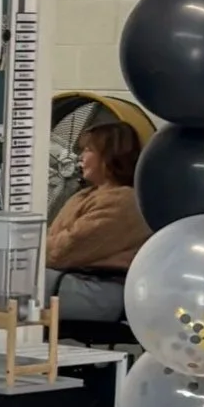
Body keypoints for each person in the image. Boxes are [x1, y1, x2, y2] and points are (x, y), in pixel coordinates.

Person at [45, 123, 149, 324]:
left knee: (14, 282)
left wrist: (33, 252)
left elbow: (64, 250)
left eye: (88, 150)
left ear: (110, 156)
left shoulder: (124, 201)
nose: (81, 157)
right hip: (74, 279)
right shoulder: (83, 196)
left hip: (103, 290)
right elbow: (54, 241)